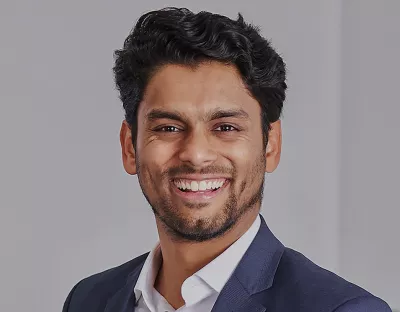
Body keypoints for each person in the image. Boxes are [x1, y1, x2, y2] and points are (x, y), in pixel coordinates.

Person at [62, 7, 392, 312]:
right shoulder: (89, 299)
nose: (196, 153)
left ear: (270, 145)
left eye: (226, 127)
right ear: (130, 147)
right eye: (169, 127)